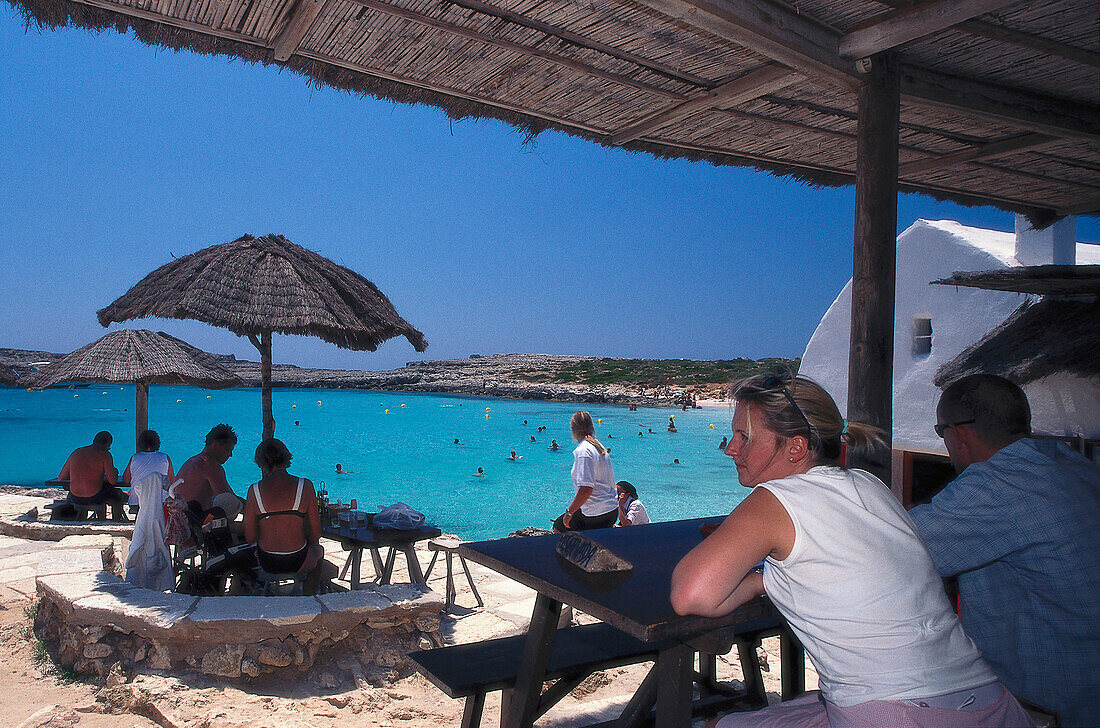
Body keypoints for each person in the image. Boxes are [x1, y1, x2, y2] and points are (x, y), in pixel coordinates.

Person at [670, 373, 1032, 728]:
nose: (731, 448)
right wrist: (764, 581)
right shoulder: (869, 485)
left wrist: (757, 580)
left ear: (796, 447)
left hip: (902, 712)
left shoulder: (776, 499)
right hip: (988, 701)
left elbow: (690, 596)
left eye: (744, 436)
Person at [909, 374, 1100, 726]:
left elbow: (889, 547)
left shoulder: (996, 484)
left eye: (941, 432)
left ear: (959, 434)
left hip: (1053, 706)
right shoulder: (1069, 462)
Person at [243, 439, 333, 595]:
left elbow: (250, 536)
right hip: (298, 559)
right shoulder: (304, 486)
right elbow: (316, 533)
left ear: (261, 462)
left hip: (268, 561)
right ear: (286, 458)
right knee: (318, 551)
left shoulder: (254, 490)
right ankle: (308, 598)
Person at [553, 411, 618, 532]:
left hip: (596, 514)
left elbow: (586, 489)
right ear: (591, 427)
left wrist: (569, 513)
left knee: (559, 526)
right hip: (612, 510)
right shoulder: (598, 445)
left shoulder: (583, 451)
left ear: (573, 429)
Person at [174, 424, 243, 520]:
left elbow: (230, 495)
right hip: (195, 522)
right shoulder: (210, 465)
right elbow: (228, 502)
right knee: (225, 515)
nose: (230, 455)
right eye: (228, 450)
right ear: (215, 445)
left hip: (181, 518)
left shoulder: (192, 461)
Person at [59, 431, 127, 520]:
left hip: (75, 497)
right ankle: (117, 521)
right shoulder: (105, 454)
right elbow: (112, 480)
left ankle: (82, 518)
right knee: (117, 495)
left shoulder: (76, 452)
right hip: (94, 497)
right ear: (107, 444)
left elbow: (61, 477)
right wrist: (115, 471)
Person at [123, 429, 174, 511]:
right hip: (160, 501)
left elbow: (126, 479)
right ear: (157, 443)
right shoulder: (165, 458)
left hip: (136, 502)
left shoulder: (135, 458)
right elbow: (172, 482)